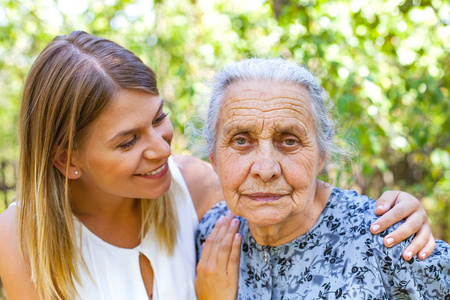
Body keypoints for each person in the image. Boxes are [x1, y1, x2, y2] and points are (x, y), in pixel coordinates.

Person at [0, 32, 436, 299]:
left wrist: (395, 212)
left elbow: (289, 201)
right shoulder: (24, 236)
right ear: (67, 159)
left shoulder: (192, 184)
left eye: (158, 119)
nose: (161, 149)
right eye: (128, 141)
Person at [195, 58, 450, 299]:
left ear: (321, 155)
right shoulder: (212, 234)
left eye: (289, 141)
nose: (265, 168)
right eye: (241, 140)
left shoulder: (388, 238)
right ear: (214, 157)